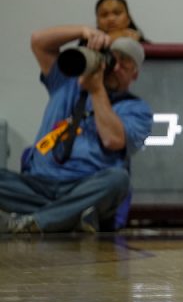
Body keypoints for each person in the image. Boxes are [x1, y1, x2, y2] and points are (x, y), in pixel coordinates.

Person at [0, 26, 152, 233]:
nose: (115, 68)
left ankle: (36, 222)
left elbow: (112, 140)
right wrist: (83, 32)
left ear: (135, 74)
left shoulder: (136, 108)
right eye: (113, 59)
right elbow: (39, 42)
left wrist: (97, 90)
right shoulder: (67, 83)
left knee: (118, 180)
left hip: (84, 187)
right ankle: (69, 218)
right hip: (37, 184)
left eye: (125, 64)